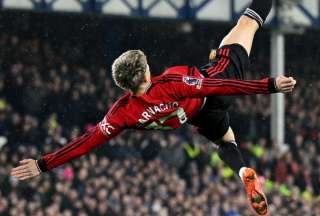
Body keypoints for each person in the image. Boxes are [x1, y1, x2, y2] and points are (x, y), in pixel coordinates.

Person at [11, 0, 296, 215]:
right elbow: (216, 87)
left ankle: (242, 171)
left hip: (198, 116)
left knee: (226, 141)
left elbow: (85, 143)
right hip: (216, 84)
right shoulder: (169, 82)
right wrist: (269, 85)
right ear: (147, 73)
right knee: (247, 24)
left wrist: (42, 164)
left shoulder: (121, 113)